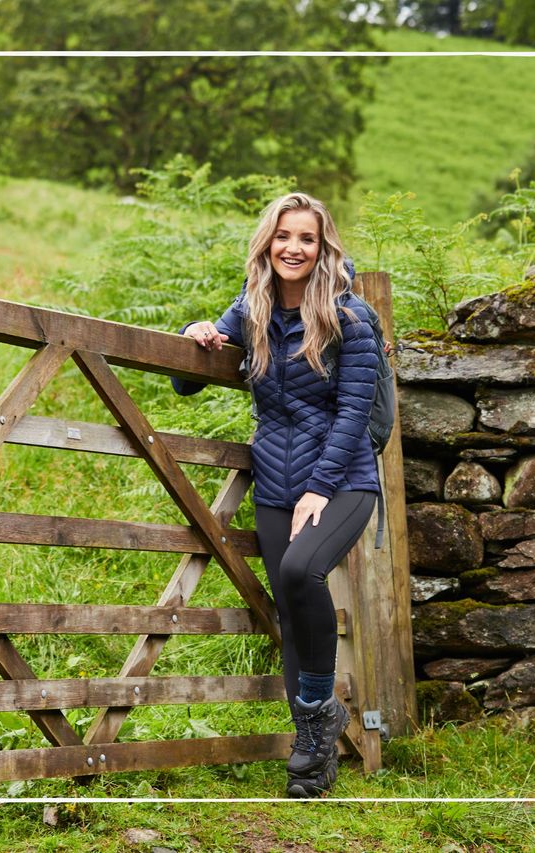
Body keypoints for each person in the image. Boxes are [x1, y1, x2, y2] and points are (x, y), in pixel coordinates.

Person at [171, 192, 382, 798]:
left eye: (307, 239)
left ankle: (318, 722)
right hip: (275, 481)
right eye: (284, 236)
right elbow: (185, 381)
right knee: (291, 613)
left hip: (343, 480)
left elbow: (352, 413)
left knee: (299, 573)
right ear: (268, 243)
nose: (294, 247)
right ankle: (312, 749)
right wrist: (197, 332)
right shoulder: (252, 308)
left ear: (323, 249)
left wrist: (319, 487)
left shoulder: (351, 319)